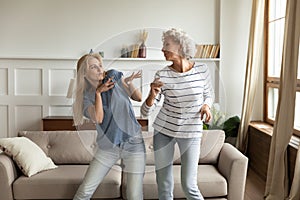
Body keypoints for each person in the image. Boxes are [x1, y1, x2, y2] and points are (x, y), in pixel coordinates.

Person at [141, 28, 214, 200]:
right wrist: (152, 94)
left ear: (180, 46)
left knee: (189, 185)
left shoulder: (202, 70)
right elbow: (145, 112)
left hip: (191, 132)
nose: (162, 49)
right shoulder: (163, 75)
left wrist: (206, 106)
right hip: (164, 132)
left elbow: (208, 94)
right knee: (164, 185)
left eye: (166, 45)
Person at [73, 52, 145, 200]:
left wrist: (129, 83)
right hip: (108, 147)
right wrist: (98, 93)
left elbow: (138, 97)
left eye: (100, 65)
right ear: (84, 73)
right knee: (85, 190)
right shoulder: (86, 98)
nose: (100, 69)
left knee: (134, 195)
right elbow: (99, 118)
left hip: (134, 143)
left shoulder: (113, 77)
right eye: (94, 67)